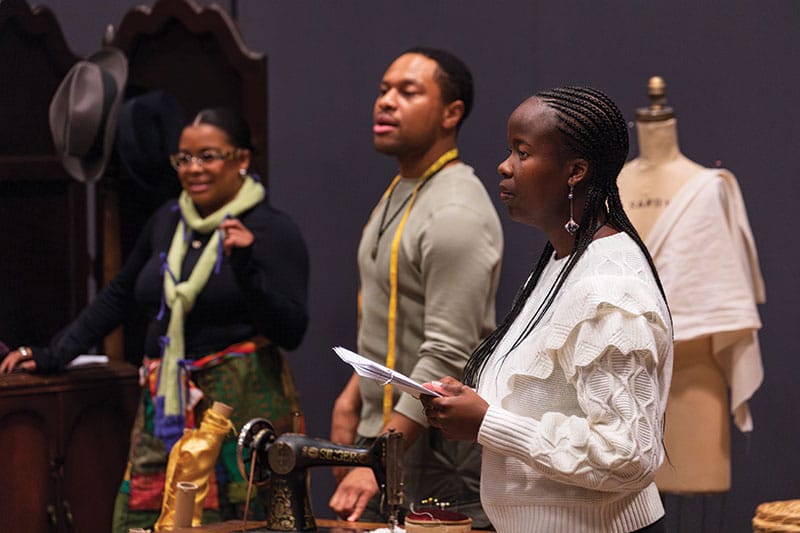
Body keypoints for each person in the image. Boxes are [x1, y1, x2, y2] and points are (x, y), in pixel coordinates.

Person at [0, 107, 310, 532]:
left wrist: (247, 270)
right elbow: (120, 294)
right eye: (183, 158)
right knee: (149, 520)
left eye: (208, 156)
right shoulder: (168, 220)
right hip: (166, 403)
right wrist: (54, 353)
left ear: (241, 159)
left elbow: (292, 330)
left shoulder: (271, 230)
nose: (193, 169)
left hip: (240, 404)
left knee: (244, 521)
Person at [420, 87, 673, 533]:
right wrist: (473, 404)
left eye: (522, 152)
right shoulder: (562, 262)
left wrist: (488, 422)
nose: (505, 166)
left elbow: (628, 454)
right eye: (508, 150)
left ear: (575, 171)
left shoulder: (608, 291)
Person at [328, 47, 502, 527]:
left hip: (432, 447)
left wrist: (384, 457)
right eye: (384, 90)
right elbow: (392, 316)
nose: (386, 102)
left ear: (452, 113)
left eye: (408, 91)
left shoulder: (455, 210)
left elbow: (449, 350)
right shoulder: (406, 189)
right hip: (388, 433)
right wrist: (352, 395)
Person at [617, 78, 764, 494]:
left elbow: (721, 291)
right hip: (616, 375)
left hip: (693, 378)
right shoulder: (611, 188)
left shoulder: (709, 188)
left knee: (695, 498)